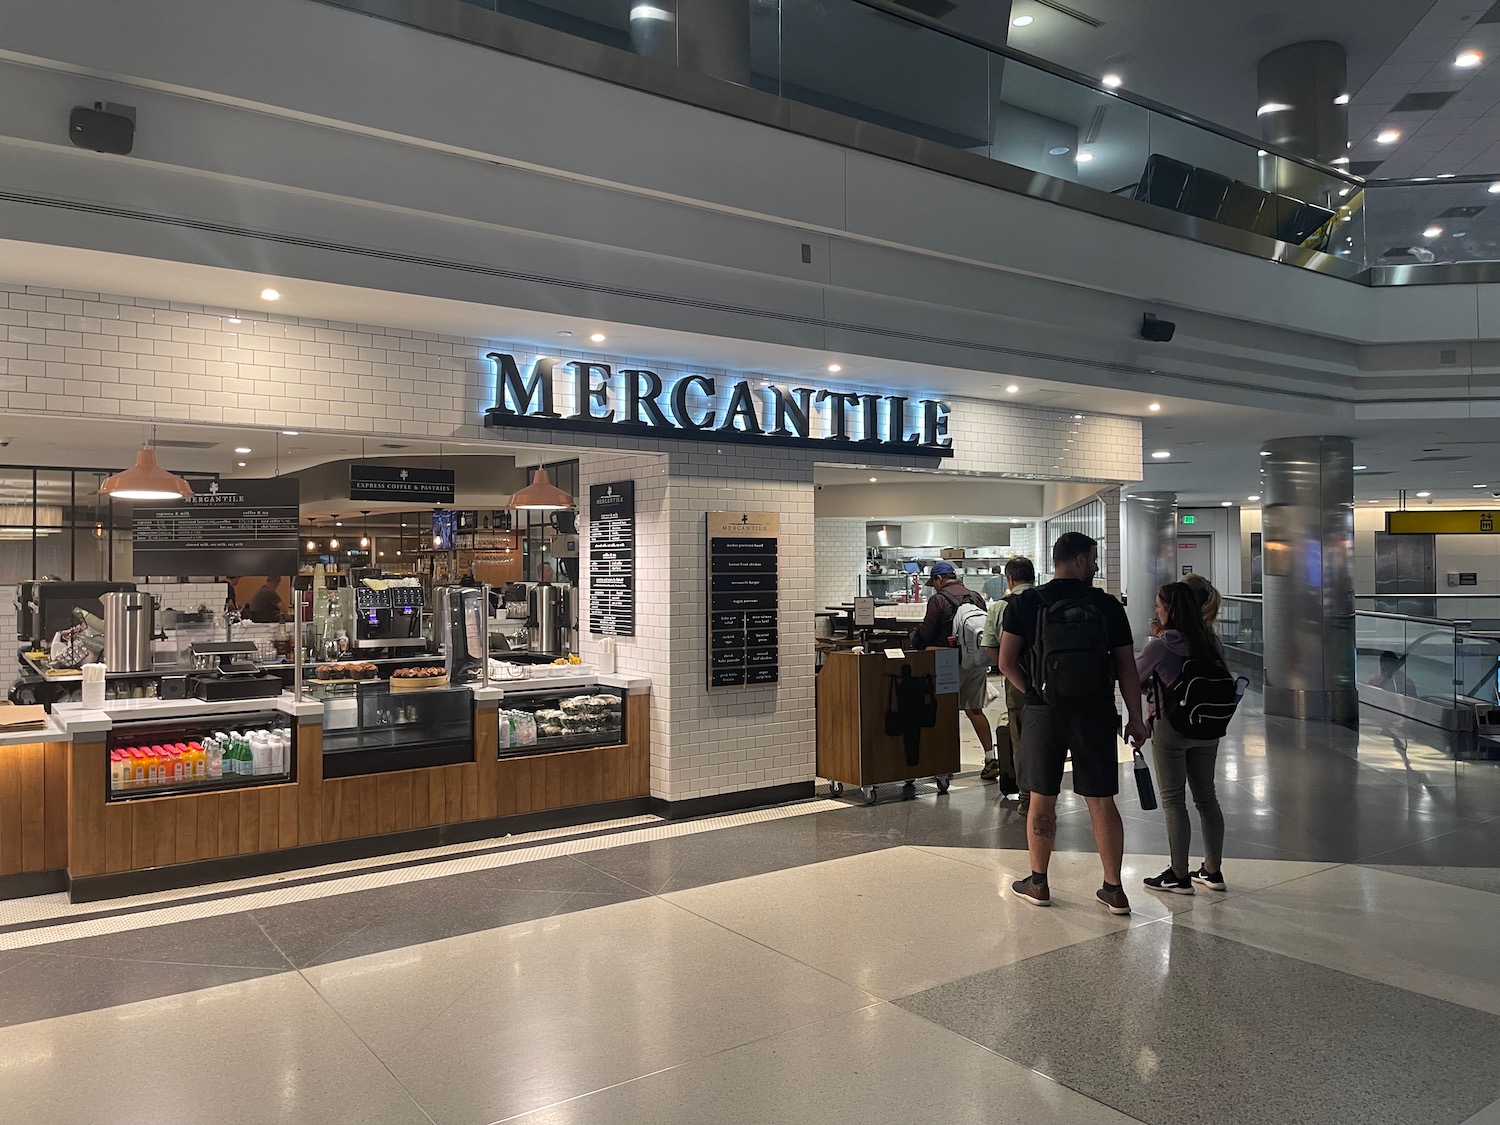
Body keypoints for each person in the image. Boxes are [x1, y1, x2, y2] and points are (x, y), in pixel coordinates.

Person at [999, 533, 1148, 915]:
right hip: (1095, 711)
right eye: (1093, 559)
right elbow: (1125, 667)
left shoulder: (1027, 602)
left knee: (1041, 798)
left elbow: (1005, 662)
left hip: (1043, 712)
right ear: (1080, 560)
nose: (1095, 566)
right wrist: (1136, 717)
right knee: (1101, 799)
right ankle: (1114, 889)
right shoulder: (1107, 605)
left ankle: (1038, 882)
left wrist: (1033, 692)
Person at [1136, 581, 1229, 896]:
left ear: (1170, 610)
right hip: (1208, 726)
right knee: (1207, 798)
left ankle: (1179, 874)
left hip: (1172, 728)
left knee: (1174, 800)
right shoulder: (1210, 641)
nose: (1156, 611)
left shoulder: (1160, 646)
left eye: (1159, 605)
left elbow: (1133, 678)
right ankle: (1213, 871)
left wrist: (1152, 686)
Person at [911, 561, 994, 768]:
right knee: (975, 709)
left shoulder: (938, 600)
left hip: (948, 661)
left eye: (934, 582)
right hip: (976, 660)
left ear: (939, 579)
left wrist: (916, 640)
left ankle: (945, 762)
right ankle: (991, 757)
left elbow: (928, 632)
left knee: (944, 711)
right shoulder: (975, 597)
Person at [980, 556, 1035, 801]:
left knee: (1020, 736)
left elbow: (990, 645)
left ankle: (1026, 794)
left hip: (1017, 678)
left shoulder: (1000, 607)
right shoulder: (1046, 600)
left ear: (1010, 579)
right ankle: (1047, 791)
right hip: (1052, 677)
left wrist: (1007, 662)